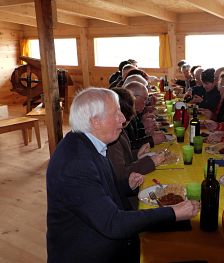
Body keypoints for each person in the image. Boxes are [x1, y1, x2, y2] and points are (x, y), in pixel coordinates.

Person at [46, 87, 200, 263]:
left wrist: (125, 185)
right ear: (95, 121)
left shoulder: (89, 143)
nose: (124, 118)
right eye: (116, 113)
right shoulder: (75, 164)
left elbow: (98, 190)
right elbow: (113, 223)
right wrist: (172, 212)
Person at [107, 87, 165, 210]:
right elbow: (120, 175)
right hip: (123, 201)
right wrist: (150, 162)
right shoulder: (111, 138)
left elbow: (123, 158)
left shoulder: (119, 130)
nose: (133, 115)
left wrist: (136, 154)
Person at [124, 81, 166, 149]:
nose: (146, 103)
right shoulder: (124, 115)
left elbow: (134, 135)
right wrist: (151, 140)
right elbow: (128, 148)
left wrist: (145, 131)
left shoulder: (132, 112)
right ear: (134, 97)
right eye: (145, 99)